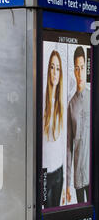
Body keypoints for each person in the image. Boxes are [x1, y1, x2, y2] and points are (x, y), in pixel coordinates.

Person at [67, 46, 90, 204]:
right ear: (74, 71)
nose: (80, 72)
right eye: (77, 68)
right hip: (78, 177)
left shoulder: (93, 98)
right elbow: (68, 146)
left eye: (82, 67)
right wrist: (68, 182)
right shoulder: (70, 105)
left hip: (92, 172)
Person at [43, 50, 65, 208]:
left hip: (59, 171)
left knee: (56, 218)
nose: (55, 72)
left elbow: (63, 142)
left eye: (58, 68)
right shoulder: (42, 102)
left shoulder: (61, 103)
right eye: (52, 67)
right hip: (45, 173)